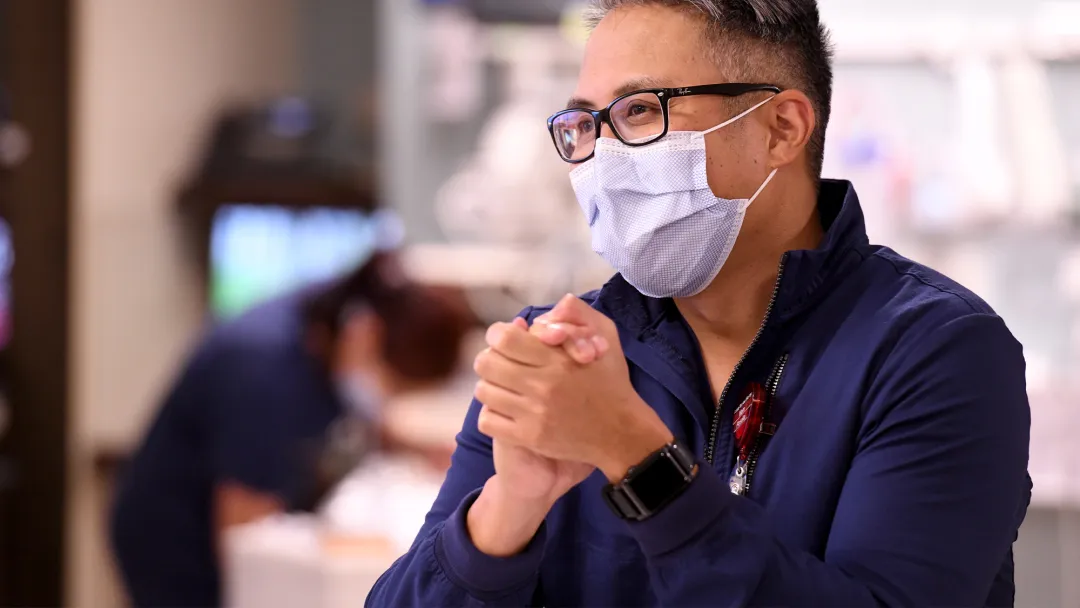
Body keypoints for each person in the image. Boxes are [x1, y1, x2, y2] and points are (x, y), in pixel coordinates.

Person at [367, 1, 1032, 606]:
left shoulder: (934, 352)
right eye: (583, 124)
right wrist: (508, 508)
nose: (599, 158)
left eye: (640, 111)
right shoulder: (559, 356)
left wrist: (635, 456)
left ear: (780, 127)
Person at [109, 251, 473, 608]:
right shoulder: (262, 367)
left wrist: (421, 450)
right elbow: (244, 539)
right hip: (177, 546)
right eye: (394, 387)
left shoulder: (334, 327)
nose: (387, 400)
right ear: (366, 337)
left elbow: (366, 420)